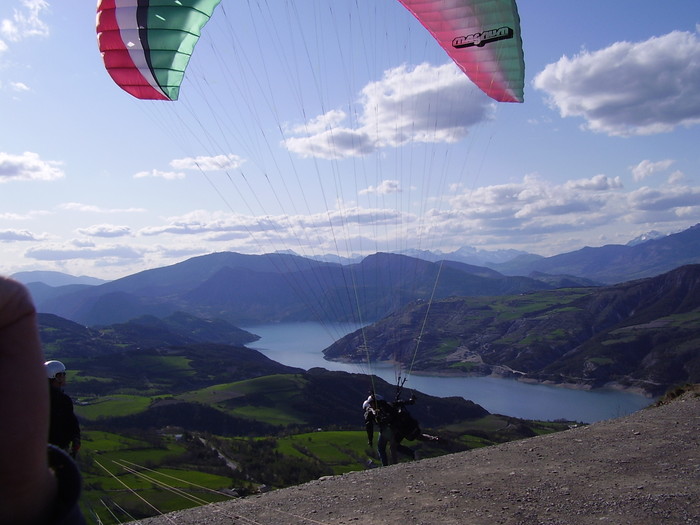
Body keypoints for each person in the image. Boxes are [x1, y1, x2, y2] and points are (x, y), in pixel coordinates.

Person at [0, 276, 85, 524]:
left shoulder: (44, 398)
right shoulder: (59, 401)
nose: (64, 379)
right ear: (53, 377)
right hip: (53, 453)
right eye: (61, 376)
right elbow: (68, 424)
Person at [46, 360, 81, 458]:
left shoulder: (38, 397)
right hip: (58, 450)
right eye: (63, 374)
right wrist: (75, 438)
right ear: (57, 377)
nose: (65, 377)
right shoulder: (62, 400)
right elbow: (71, 421)